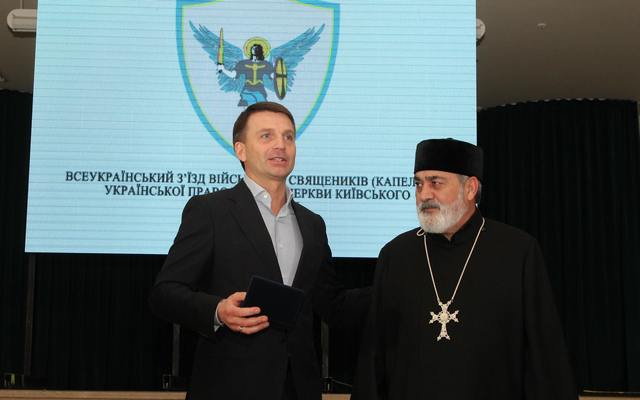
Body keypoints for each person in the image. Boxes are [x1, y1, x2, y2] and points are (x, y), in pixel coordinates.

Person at [149, 102, 362, 400]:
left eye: (288, 137)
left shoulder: (313, 224)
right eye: (266, 136)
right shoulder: (210, 211)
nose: (281, 145)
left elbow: (331, 303)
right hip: (229, 387)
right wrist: (218, 310)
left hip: (298, 389)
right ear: (241, 150)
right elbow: (165, 293)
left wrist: (393, 286)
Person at [352, 138, 577, 399]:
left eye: (435, 182)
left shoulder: (518, 253)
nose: (424, 194)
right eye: (418, 184)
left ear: (470, 188)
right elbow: (374, 360)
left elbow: (544, 360)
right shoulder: (396, 256)